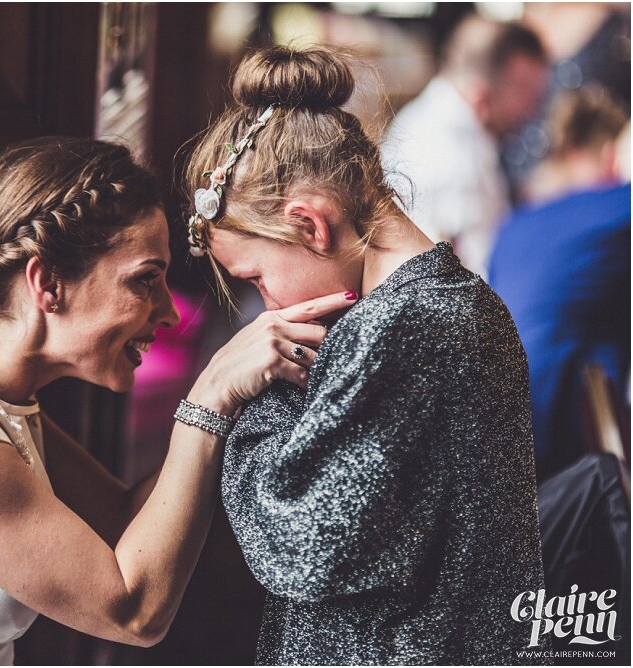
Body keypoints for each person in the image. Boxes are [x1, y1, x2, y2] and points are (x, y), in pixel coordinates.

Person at [0, 137, 354, 665]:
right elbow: (133, 614)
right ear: (48, 284)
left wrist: (251, 397)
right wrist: (208, 399)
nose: (169, 313)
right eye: (144, 281)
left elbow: (120, 522)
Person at [182, 46, 547, 664]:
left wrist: (230, 392)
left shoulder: (408, 328)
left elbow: (295, 542)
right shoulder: (426, 308)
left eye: (256, 277)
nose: (264, 304)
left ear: (309, 225)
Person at [489, 87, 630, 480]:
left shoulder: (513, 225)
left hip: (493, 426)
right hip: (559, 442)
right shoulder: (618, 210)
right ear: (612, 154)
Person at [382, 14, 549, 277]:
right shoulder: (452, 153)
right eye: (528, 91)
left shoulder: (426, 117)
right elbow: (473, 273)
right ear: (482, 91)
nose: (533, 110)